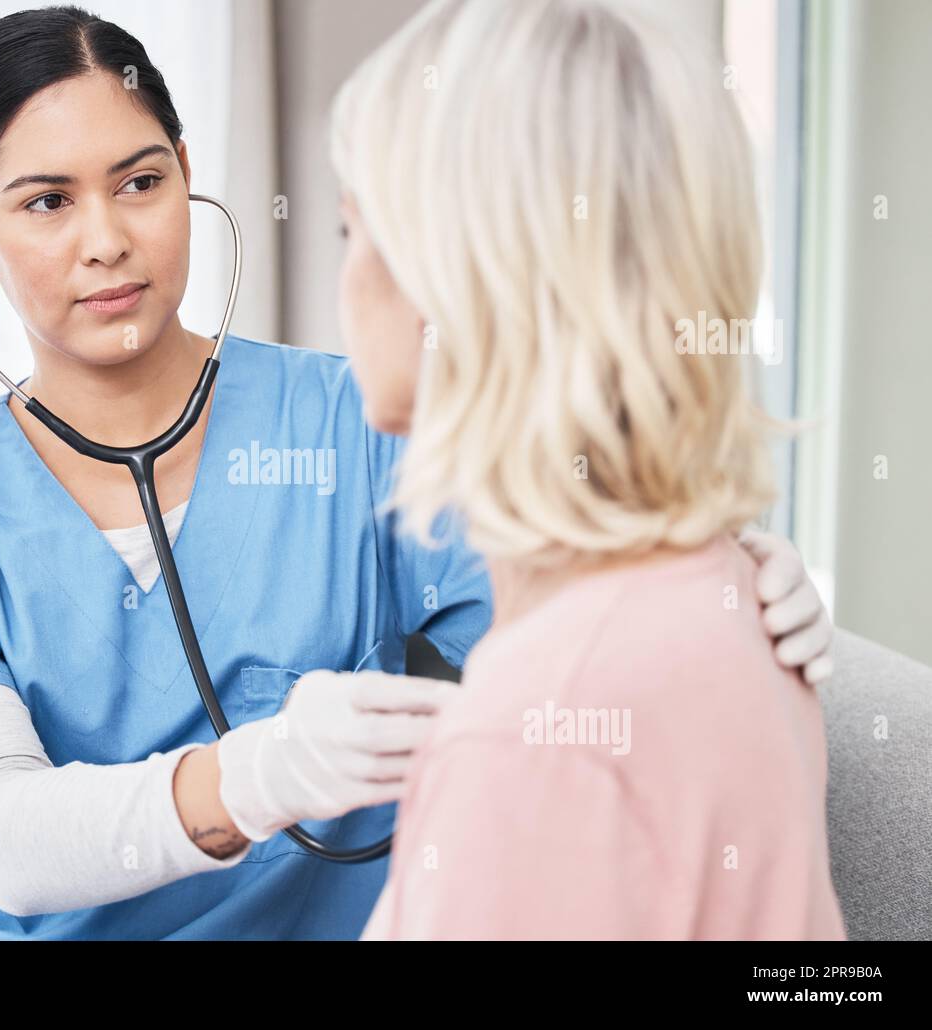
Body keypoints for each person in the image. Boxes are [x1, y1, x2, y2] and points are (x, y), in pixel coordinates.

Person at [0, 4, 834, 941]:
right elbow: (1, 834)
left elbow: (588, 626)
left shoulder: (373, 423)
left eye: (140, 182)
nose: (107, 240)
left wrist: (731, 583)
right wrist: (255, 774)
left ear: (186, 171)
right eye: (47, 202)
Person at [321, 0, 846, 939]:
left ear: (461, 278)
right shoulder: (734, 597)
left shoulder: (538, 743)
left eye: (350, 229)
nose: (346, 275)